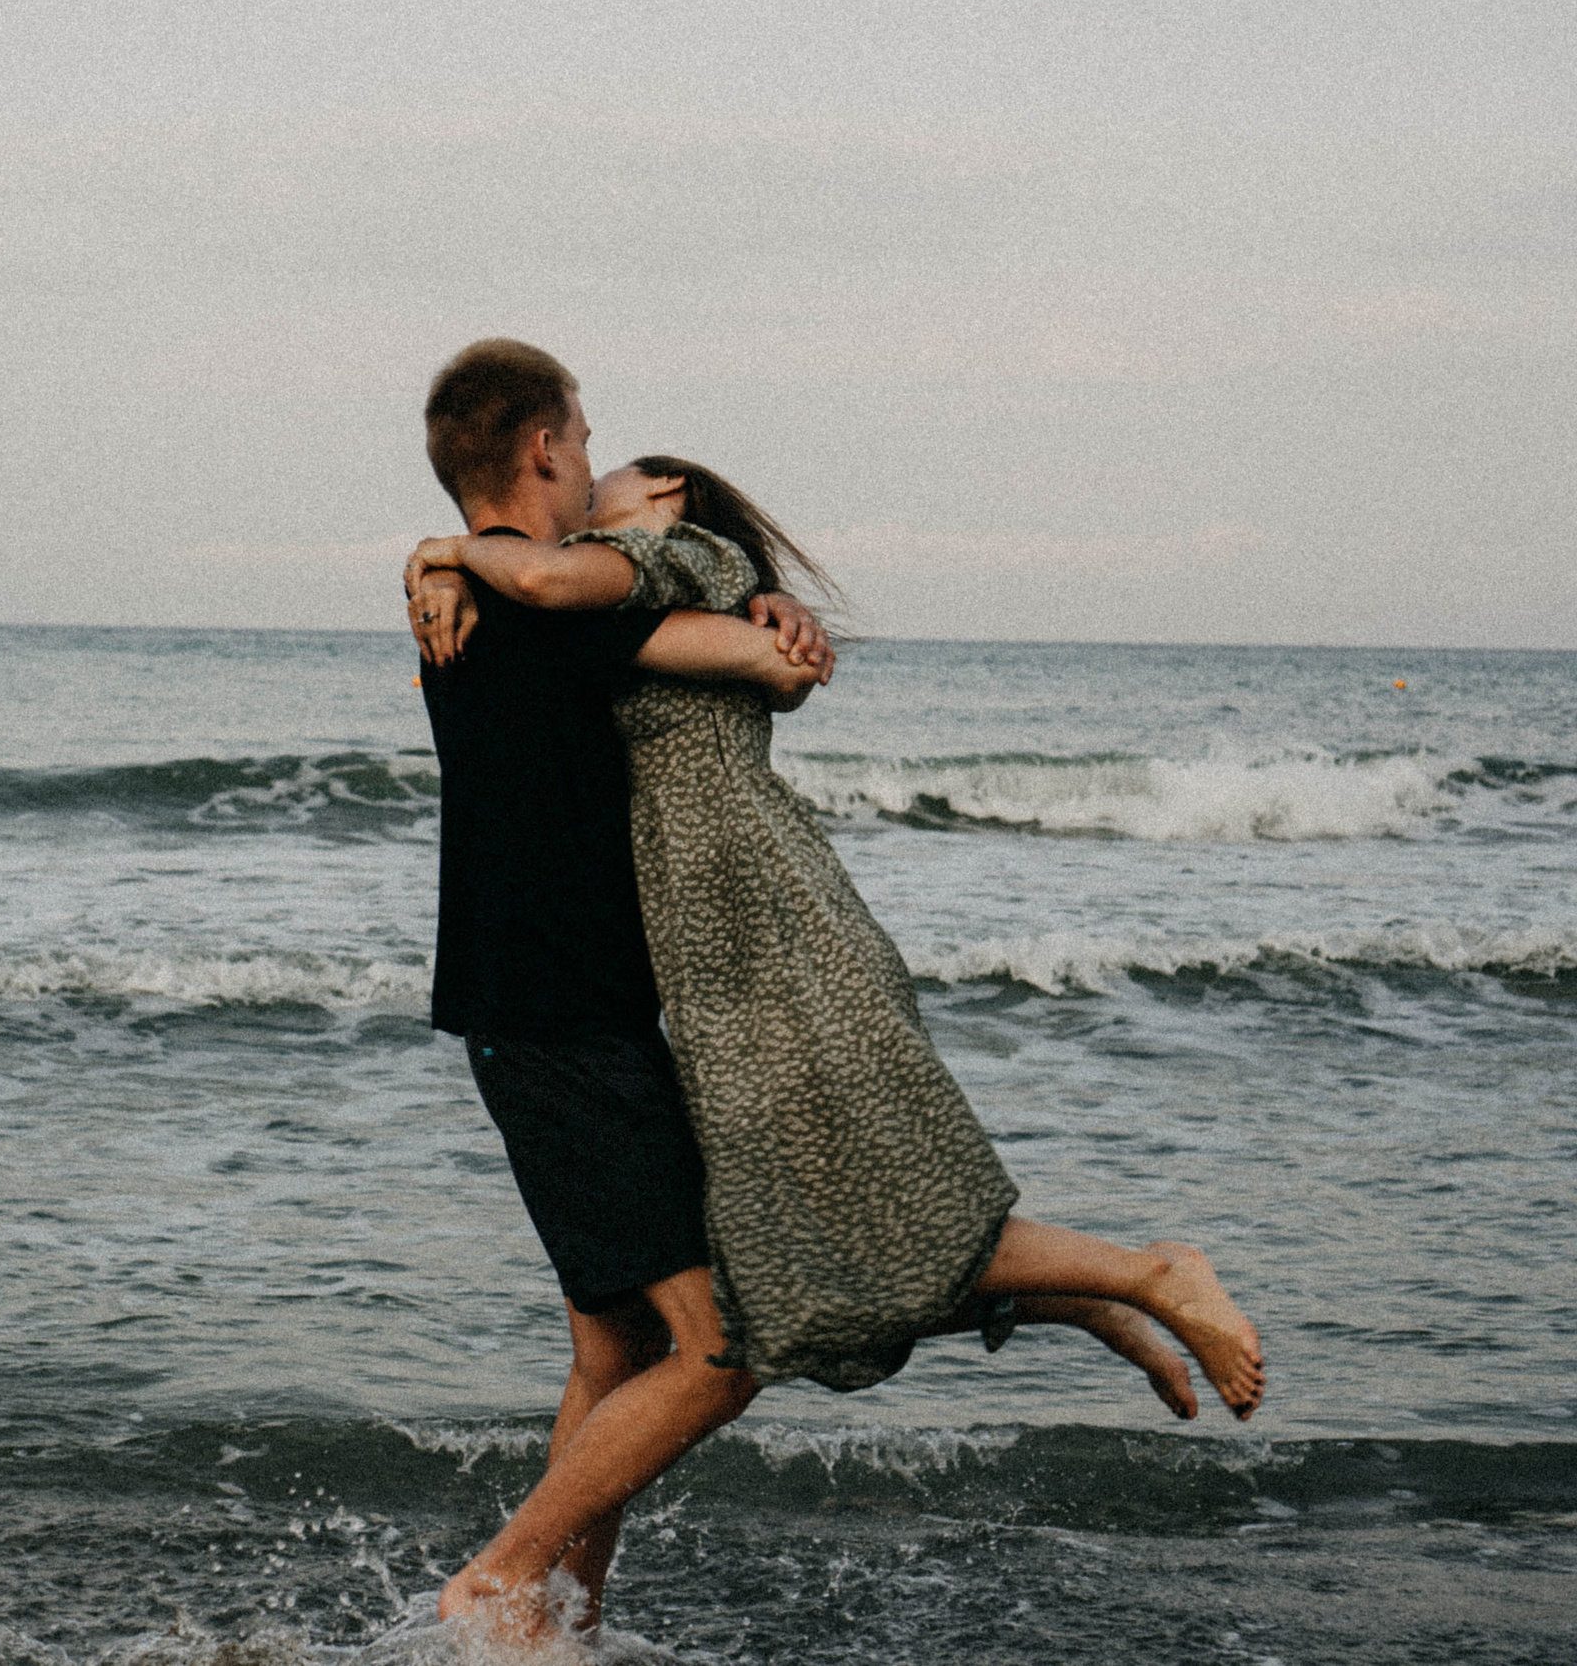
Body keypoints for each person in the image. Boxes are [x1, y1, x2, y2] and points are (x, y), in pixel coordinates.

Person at [405, 340, 1264, 1646]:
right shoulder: (533, 599)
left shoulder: (499, 594)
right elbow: (763, 662)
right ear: (543, 448)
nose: (593, 464)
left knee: (629, 1342)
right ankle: (507, 1581)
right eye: (585, 440)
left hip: (564, 1017)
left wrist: (440, 555)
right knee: (720, 1349)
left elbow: (734, 645)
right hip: (564, 1026)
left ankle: (559, 1622)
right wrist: (761, 633)